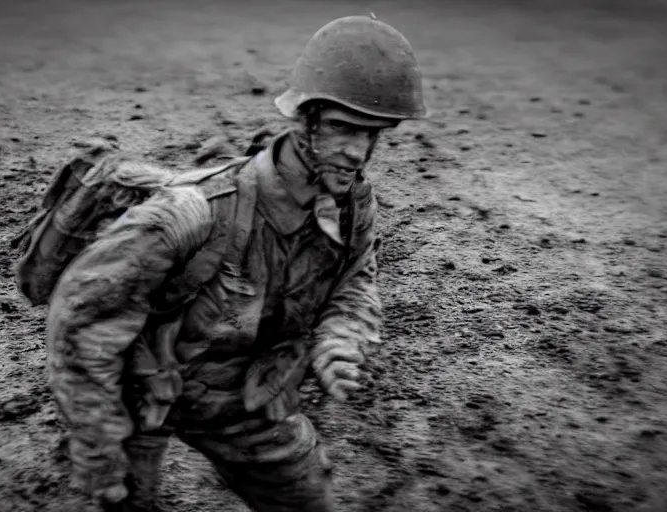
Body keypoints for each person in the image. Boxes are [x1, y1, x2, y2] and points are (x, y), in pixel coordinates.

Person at [45, 15, 428, 512]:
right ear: (304, 119)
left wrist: (340, 338)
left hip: (245, 400)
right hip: (140, 396)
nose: (357, 151)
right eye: (341, 129)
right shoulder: (190, 213)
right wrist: (98, 451)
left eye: (374, 134)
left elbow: (355, 282)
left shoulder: (354, 202)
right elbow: (79, 327)